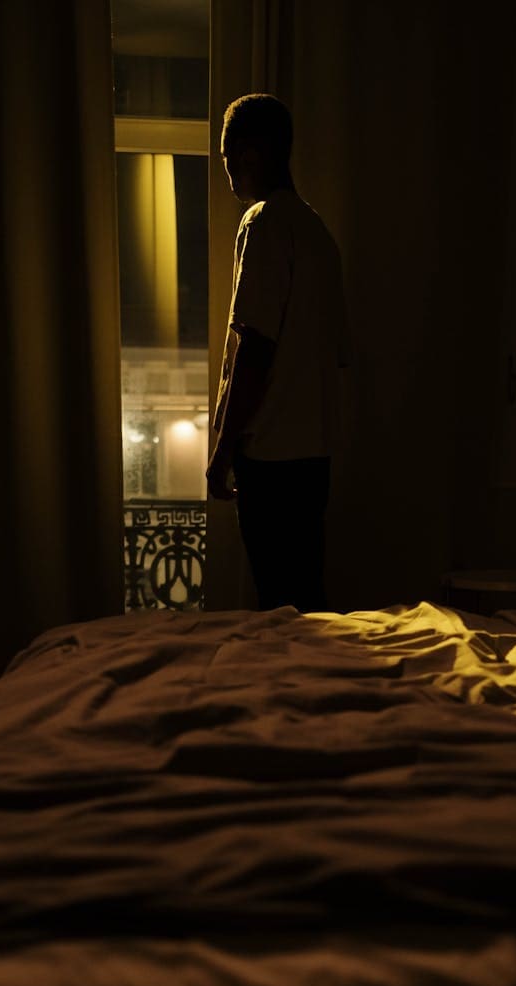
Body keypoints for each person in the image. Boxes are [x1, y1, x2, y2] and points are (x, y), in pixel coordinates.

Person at [207, 93, 349, 612]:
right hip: (314, 450)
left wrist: (223, 448)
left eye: (227, 160)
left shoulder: (264, 223)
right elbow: (335, 353)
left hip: (269, 451)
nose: (229, 177)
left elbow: (255, 342)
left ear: (248, 154)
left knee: (278, 602)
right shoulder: (318, 234)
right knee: (305, 596)